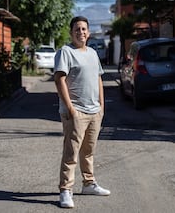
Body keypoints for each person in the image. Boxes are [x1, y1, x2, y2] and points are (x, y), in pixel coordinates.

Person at [54, 16, 110, 208]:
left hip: (94, 111)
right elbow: (59, 79)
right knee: (71, 153)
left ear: (89, 32)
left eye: (84, 29)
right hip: (75, 111)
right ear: (71, 32)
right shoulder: (65, 52)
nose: (81, 32)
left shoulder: (93, 53)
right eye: (77, 29)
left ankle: (89, 183)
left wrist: (101, 106)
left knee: (89, 151)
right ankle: (65, 190)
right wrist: (70, 108)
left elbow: (98, 79)